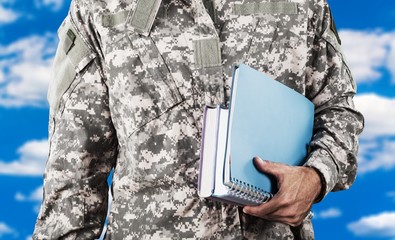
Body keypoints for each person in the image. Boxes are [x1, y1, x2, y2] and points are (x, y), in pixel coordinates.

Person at [33, 0, 364, 239]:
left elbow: (337, 109)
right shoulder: (98, 9)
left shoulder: (302, 3)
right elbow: (74, 178)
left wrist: (316, 175)